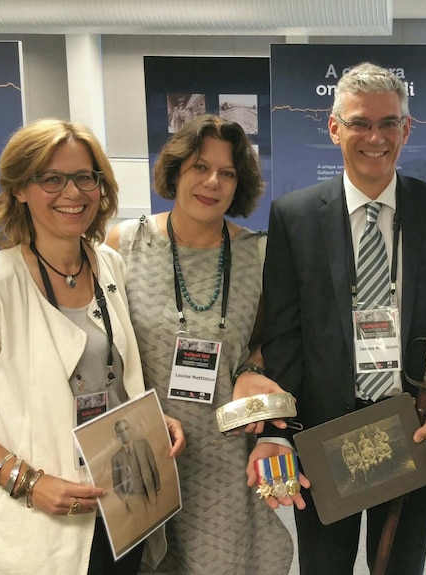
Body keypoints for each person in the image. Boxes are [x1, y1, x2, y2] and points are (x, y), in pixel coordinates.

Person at [0, 118, 186, 575]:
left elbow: (111, 373)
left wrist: (151, 419)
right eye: (51, 179)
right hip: (43, 517)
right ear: (20, 189)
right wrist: (28, 482)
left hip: (122, 499)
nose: (72, 193)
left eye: (84, 177)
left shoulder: (109, 265)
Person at [254, 62, 426, 575]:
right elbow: (284, 331)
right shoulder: (295, 215)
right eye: (359, 123)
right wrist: (281, 430)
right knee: (324, 566)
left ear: (406, 128)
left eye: (389, 123)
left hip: (412, 424)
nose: (375, 137)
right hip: (325, 430)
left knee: (398, 565)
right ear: (335, 129)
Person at [107, 113, 293, 575]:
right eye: (199, 167)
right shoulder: (122, 244)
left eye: (227, 173)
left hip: (226, 454)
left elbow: (273, 341)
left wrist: (252, 367)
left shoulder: (260, 254)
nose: (212, 182)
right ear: (175, 171)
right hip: (149, 445)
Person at [111, 418, 161, 521]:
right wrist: (126, 499)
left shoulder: (143, 444)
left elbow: (153, 467)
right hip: (134, 499)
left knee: (156, 522)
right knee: (142, 525)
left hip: (150, 492)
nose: (124, 433)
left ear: (130, 429)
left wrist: (157, 489)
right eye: (121, 431)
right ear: (117, 435)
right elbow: (116, 484)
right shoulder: (116, 458)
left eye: (126, 429)